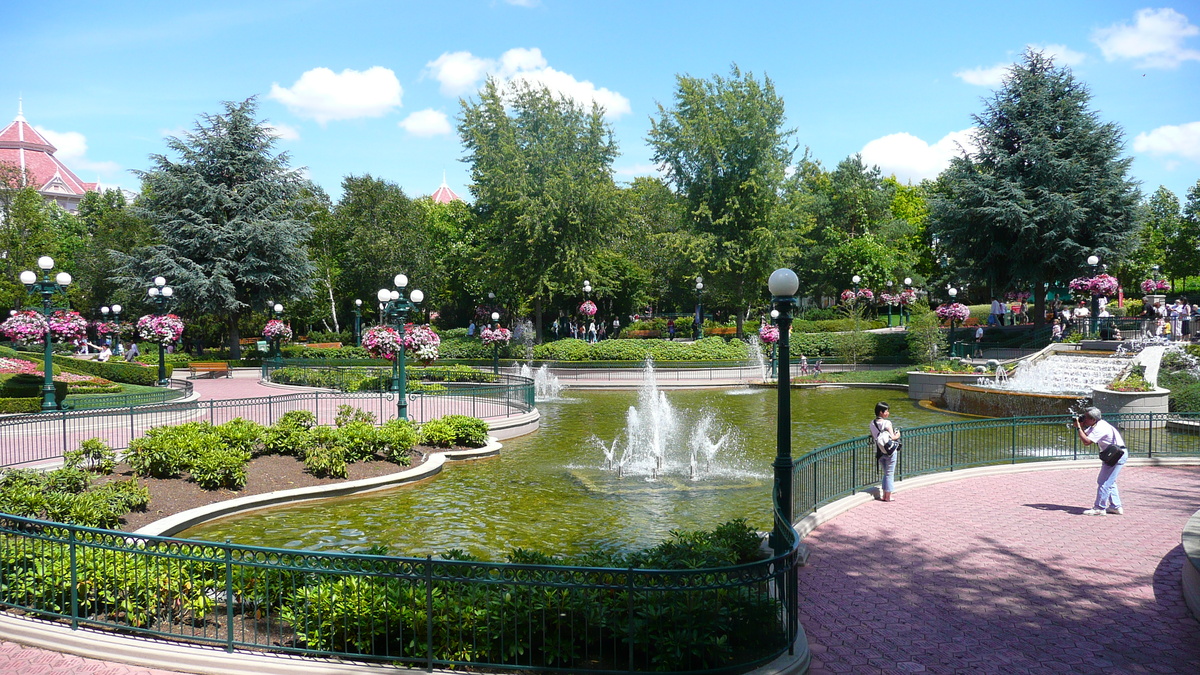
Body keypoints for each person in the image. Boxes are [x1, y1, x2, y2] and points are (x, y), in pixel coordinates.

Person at [1075, 407, 1127, 516]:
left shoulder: (1100, 427)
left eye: (1086, 417)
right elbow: (1086, 435)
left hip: (1116, 455)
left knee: (1104, 482)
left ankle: (1099, 508)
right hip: (1112, 455)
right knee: (1109, 481)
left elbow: (1087, 442)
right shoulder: (1097, 424)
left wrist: (1078, 428)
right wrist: (1081, 426)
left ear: (1093, 419)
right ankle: (1115, 507)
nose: (1084, 418)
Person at [870, 402, 901, 502]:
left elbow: (874, 437)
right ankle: (888, 497)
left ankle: (884, 495)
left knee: (886, 473)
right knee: (889, 474)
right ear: (881, 412)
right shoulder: (887, 423)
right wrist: (898, 435)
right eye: (886, 411)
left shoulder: (872, 423)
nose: (888, 413)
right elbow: (893, 437)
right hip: (889, 451)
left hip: (879, 452)